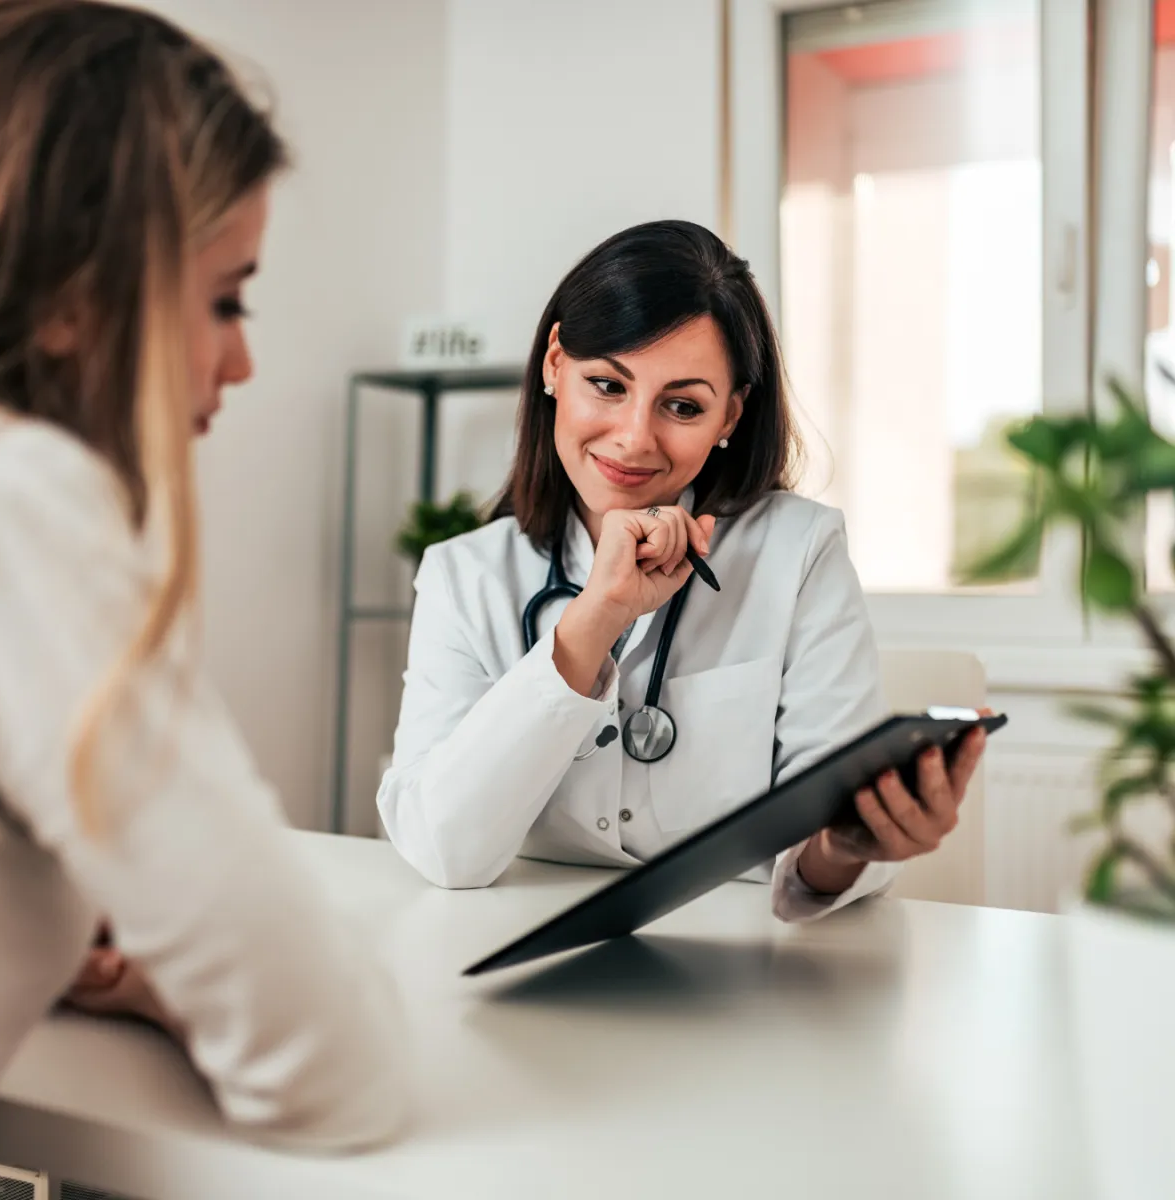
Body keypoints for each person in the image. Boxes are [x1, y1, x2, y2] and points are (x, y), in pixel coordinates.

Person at [0, 0, 405, 1149]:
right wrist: (178, 981)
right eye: (227, 297)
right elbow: (334, 1070)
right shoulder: (15, 499)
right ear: (72, 296)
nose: (245, 358)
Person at [377, 220, 988, 917]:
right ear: (554, 365)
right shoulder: (465, 577)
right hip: (515, 946)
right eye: (607, 384)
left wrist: (848, 847)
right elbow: (444, 851)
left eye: (683, 405)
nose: (635, 438)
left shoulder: (799, 551)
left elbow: (816, 841)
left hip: (744, 968)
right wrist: (591, 622)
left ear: (731, 413)